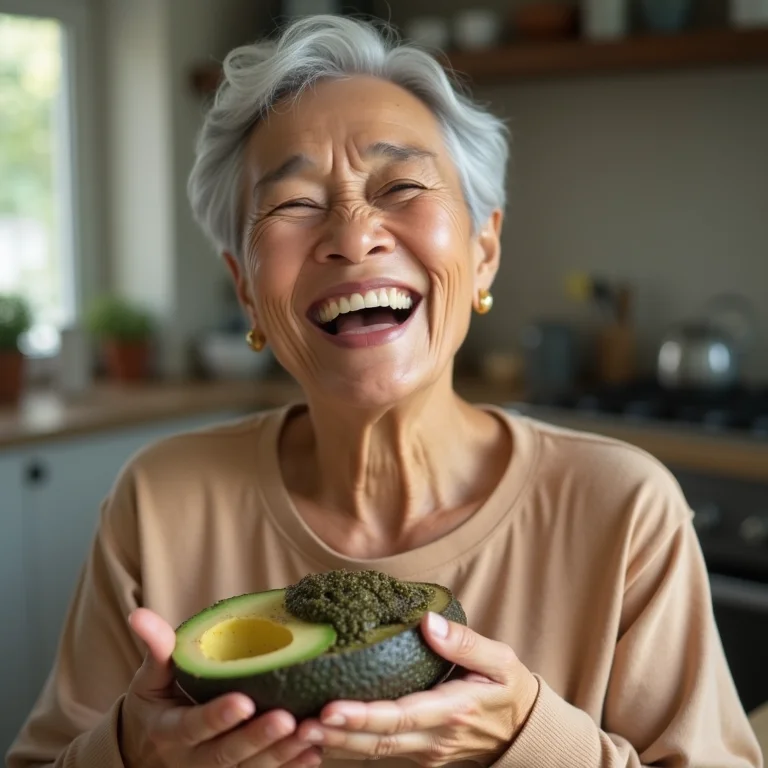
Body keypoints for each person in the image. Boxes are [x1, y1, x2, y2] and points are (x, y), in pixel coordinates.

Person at [6, 14, 762, 768]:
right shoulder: (159, 501)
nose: (353, 234)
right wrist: (135, 753)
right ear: (244, 289)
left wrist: (529, 739)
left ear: (484, 250)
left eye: (400, 185)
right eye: (296, 204)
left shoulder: (626, 509)